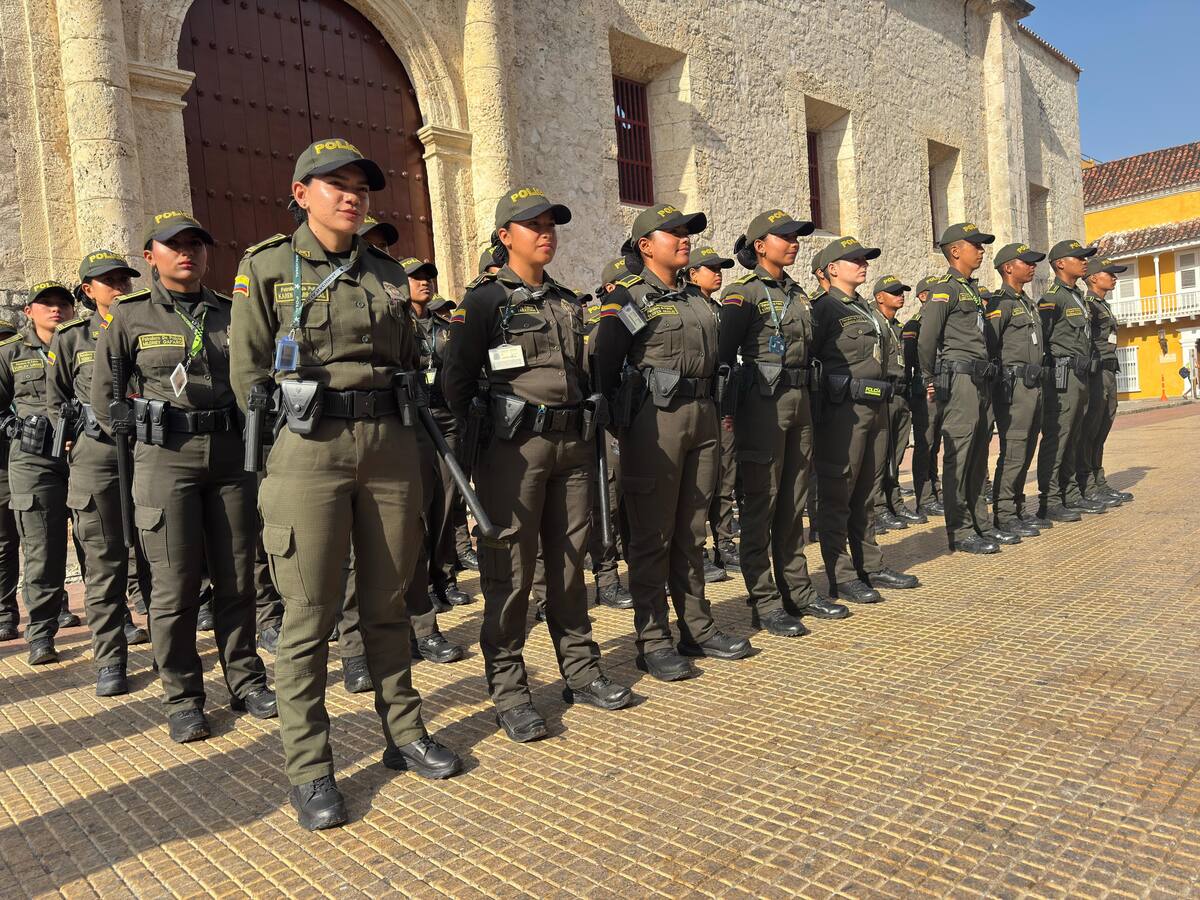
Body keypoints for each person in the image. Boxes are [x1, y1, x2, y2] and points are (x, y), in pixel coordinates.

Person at [231, 139, 464, 829]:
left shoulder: (389, 272)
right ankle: (310, 769)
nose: (350, 194)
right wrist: (285, 412)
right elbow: (247, 373)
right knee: (309, 614)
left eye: (359, 183)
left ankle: (405, 733)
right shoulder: (266, 267)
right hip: (308, 449)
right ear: (301, 193)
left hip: (390, 447)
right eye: (332, 183)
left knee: (389, 600)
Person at [443, 186, 631, 742]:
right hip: (513, 454)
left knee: (571, 564)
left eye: (551, 223)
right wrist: (481, 443)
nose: (545, 232)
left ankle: (580, 669)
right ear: (505, 237)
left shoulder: (567, 301)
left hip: (572, 448)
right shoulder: (482, 302)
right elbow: (456, 383)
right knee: (512, 573)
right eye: (532, 225)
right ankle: (510, 691)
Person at [91, 213, 275, 742]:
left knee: (238, 576)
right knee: (174, 587)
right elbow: (106, 397)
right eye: (173, 245)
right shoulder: (129, 317)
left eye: (195, 243)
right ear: (150, 256)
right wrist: (136, 428)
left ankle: (244, 678)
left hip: (228, 454)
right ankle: (184, 695)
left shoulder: (229, 312)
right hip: (164, 458)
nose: (186, 253)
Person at [592, 203, 754, 681]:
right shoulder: (629, 297)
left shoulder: (696, 298)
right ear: (645, 246)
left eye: (686, 232)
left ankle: (697, 628)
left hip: (702, 416)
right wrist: (629, 418)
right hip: (654, 422)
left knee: (692, 529)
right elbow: (604, 364)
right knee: (652, 535)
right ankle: (653, 638)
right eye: (673, 233)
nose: (684, 239)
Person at [718, 211, 847, 637]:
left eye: (796, 236)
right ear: (760, 245)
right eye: (785, 236)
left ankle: (799, 591)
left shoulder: (799, 295)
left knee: (793, 501)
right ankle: (764, 599)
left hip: (800, 403)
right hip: (762, 407)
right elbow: (722, 357)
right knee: (761, 501)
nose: (793, 242)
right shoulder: (743, 294)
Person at [46, 251, 150, 695]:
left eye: (124, 280)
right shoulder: (71, 338)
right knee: (104, 563)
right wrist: (71, 441)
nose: (120, 288)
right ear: (88, 291)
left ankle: (169, 653)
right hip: (97, 456)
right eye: (109, 282)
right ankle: (110, 659)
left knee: (156, 558)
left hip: (147, 450)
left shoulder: (146, 325)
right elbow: (55, 402)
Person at [810, 237, 920, 602]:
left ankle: (869, 565)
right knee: (838, 492)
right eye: (853, 260)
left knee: (867, 492)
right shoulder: (822, 309)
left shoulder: (866, 310)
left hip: (877, 408)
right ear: (832, 269)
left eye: (863, 259)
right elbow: (810, 364)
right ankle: (841, 575)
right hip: (843, 412)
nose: (862, 264)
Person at [917, 223, 1009, 554]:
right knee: (959, 453)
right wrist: (931, 378)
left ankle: (980, 523)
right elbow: (927, 339)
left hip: (979, 380)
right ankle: (960, 529)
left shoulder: (970, 289)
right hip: (958, 380)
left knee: (979, 454)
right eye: (976, 245)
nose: (982, 250)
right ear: (956, 251)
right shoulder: (946, 289)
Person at [0, 281, 78, 664]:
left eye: (63, 303)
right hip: (34, 462)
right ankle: (42, 633)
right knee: (42, 548)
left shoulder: (86, 345)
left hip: (84, 456)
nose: (56, 309)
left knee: (99, 544)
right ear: (29, 311)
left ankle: (116, 622)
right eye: (46, 304)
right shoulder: (11, 353)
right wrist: (16, 428)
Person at [1036, 239, 1106, 521]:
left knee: (1075, 436)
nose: (1084, 261)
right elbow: (1043, 341)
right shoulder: (1052, 298)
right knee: (1058, 437)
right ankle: (1050, 500)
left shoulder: (1076, 295)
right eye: (1078, 257)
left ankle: (1071, 494)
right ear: (1060, 263)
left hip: (1080, 376)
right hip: (1062, 378)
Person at [577, 257, 633, 607]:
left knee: (626, 499)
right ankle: (607, 577)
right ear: (611, 289)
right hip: (606, 425)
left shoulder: (635, 318)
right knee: (606, 502)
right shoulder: (602, 328)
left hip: (630, 422)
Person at [988, 243, 1051, 537]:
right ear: (1008, 268)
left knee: (1026, 449)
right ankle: (1004, 513)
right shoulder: (999, 304)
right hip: (1013, 388)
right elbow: (990, 347)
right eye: (1025, 262)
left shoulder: (1027, 302)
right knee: (1013, 451)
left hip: (1034, 385)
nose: (1032, 266)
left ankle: (1017, 508)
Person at [686, 245, 739, 585]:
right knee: (698, 486)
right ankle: (698, 548)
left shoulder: (720, 310)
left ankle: (726, 542)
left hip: (724, 408)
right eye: (709, 268)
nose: (717, 272)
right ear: (691, 274)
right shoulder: (685, 306)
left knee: (726, 478)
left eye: (720, 267)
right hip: (699, 406)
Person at [1077, 256, 1133, 505]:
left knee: (1102, 430)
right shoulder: (1088, 305)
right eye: (1109, 273)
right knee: (1090, 431)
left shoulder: (1102, 304)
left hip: (1109, 372)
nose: (1114, 277)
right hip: (1096, 374)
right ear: (1093, 278)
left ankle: (1099, 481)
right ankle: (1087, 484)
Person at [871, 275, 923, 530]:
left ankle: (895, 501)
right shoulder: (875, 324)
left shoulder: (898, 327)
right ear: (879, 297)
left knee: (896, 454)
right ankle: (878, 506)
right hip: (884, 395)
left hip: (901, 395)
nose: (900, 295)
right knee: (880, 456)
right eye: (894, 292)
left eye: (901, 291)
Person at [902, 277, 944, 517]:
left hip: (941, 389)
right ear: (922, 296)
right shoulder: (914, 325)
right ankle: (924, 498)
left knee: (935, 445)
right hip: (924, 393)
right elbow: (909, 364)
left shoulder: (939, 323)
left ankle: (935, 490)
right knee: (925, 445)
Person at [0, 311, 23, 643]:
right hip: (3, 468)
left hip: (27, 460)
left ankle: (57, 601)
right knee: (4, 541)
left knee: (40, 540)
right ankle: (4, 612)